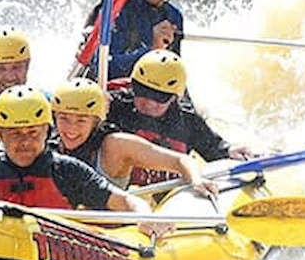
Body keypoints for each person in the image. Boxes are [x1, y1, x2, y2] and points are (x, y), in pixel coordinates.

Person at [0, 87, 167, 235]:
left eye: (33, 133)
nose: (25, 142)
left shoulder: (66, 169)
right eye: (15, 134)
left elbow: (126, 201)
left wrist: (144, 215)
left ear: (47, 131)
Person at [107, 50, 256, 185]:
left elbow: (214, 148)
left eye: (159, 97)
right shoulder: (116, 107)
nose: (149, 103)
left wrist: (229, 150)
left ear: (174, 98)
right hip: (123, 189)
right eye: (142, 91)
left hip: (166, 193)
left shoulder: (187, 120)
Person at [50, 79, 219, 198]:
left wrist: (196, 180)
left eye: (81, 120)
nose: (71, 129)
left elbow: (180, 160)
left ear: (96, 122)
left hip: (109, 229)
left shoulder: (116, 145)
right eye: (64, 118)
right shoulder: (47, 142)